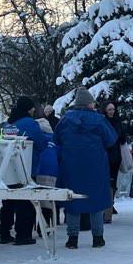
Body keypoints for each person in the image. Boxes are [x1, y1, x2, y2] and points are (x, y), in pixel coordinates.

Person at [54, 88, 118, 249]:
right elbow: (111, 140)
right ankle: (98, 237)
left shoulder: (65, 120)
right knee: (95, 200)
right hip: (96, 166)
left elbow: (56, 139)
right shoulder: (99, 120)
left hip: (71, 166)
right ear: (89, 103)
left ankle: (72, 238)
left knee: (72, 199)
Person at [2, 97, 49, 245]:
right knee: (26, 201)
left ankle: (5, 234)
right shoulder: (30, 123)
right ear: (29, 109)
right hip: (27, 166)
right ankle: (23, 235)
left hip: (9, 167)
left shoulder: (9, 123)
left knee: (8, 200)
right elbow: (41, 144)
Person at [102, 102, 128, 223]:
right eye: (109, 109)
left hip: (114, 157)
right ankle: (107, 208)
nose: (111, 111)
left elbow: (123, 138)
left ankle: (108, 207)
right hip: (106, 157)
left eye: (113, 109)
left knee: (111, 183)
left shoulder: (115, 122)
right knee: (107, 183)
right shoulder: (106, 122)